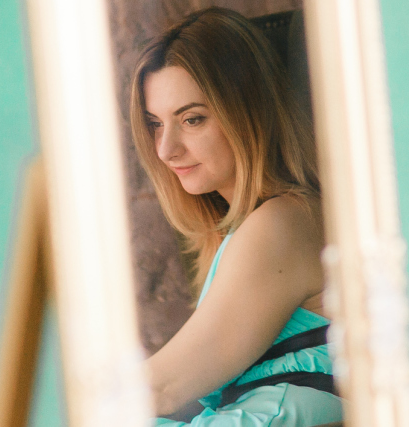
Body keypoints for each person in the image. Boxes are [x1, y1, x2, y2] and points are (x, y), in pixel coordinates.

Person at [128, 7, 342, 427]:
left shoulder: (283, 223)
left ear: (248, 113)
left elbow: (165, 386)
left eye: (192, 119)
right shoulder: (259, 224)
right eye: (155, 123)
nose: (165, 149)